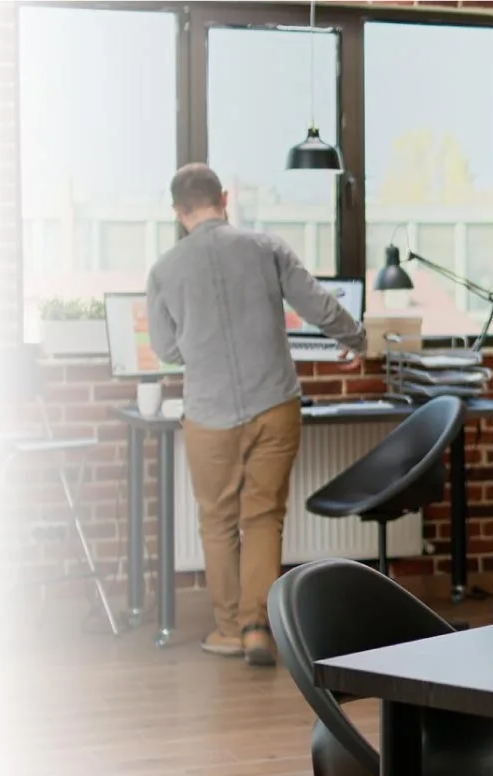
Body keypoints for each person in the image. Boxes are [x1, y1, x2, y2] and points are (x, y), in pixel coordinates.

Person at [146, 163, 366, 666]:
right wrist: (356, 338)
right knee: (263, 515)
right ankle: (256, 628)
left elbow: (166, 349)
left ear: (179, 212)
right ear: (224, 198)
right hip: (274, 403)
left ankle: (228, 629)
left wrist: (199, 345)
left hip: (208, 413)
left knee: (218, 521)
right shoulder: (266, 248)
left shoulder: (164, 270)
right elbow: (318, 304)